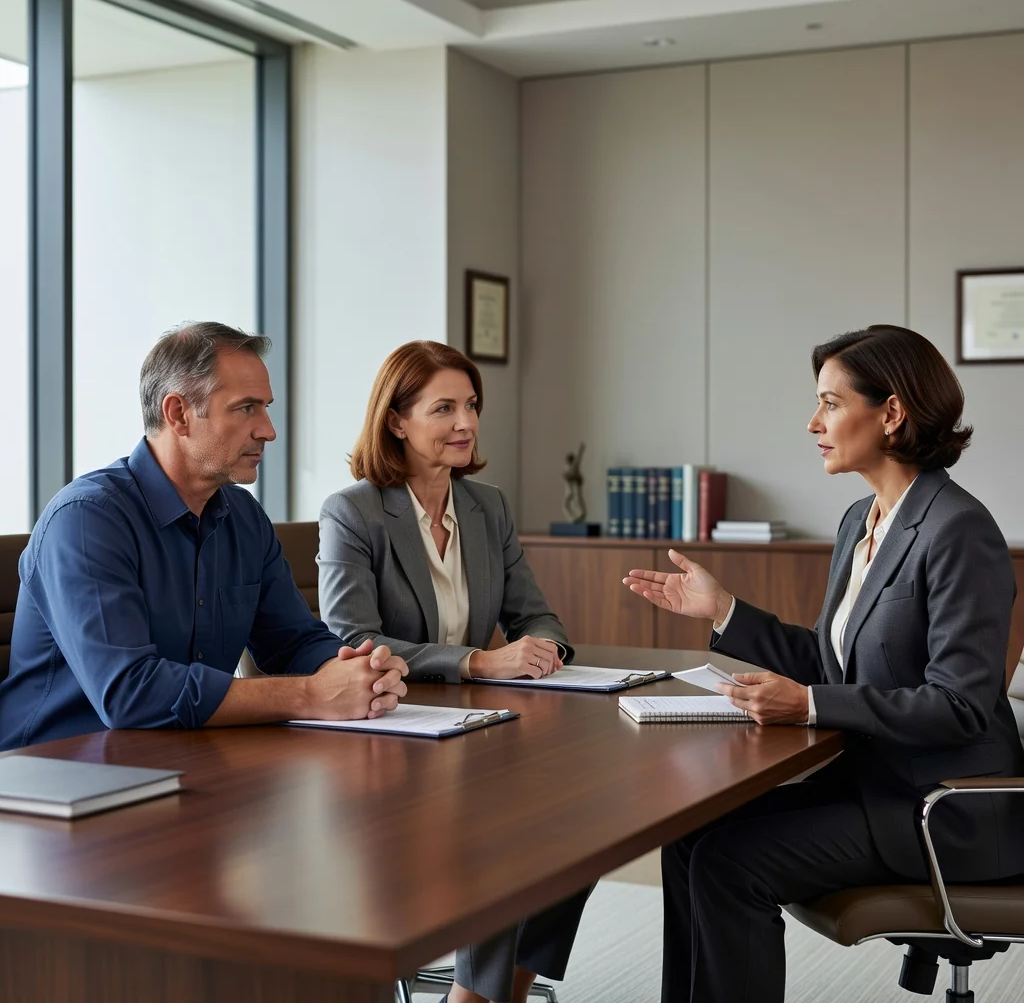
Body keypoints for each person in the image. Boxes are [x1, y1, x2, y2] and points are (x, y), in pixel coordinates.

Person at [623, 325, 1024, 1003]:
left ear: (891, 413)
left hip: (942, 809)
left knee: (730, 863)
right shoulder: (859, 522)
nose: (814, 423)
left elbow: (959, 705)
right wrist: (723, 610)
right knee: (689, 837)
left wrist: (808, 704)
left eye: (831, 403)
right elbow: (830, 661)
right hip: (876, 786)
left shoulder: (958, 530)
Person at [318, 339, 589, 1003]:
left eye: (471, 405)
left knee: (584, 824)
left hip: (474, 729)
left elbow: (536, 614)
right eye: (443, 408)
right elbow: (351, 639)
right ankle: (473, 997)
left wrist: (544, 648)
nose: (466, 422)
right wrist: (477, 660)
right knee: (503, 829)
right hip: (387, 737)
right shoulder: (354, 513)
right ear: (396, 420)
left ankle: (504, 990)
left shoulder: (485, 507)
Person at [0, 322, 408, 750]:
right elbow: (130, 692)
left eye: (266, 407)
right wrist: (311, 694)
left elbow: (292, 641)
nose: (268, 431)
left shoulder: (244, 517)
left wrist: (358, 670)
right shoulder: (86, 520)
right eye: (246, 408)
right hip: (58, 768)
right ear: (178, 414)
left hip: (185, 757)